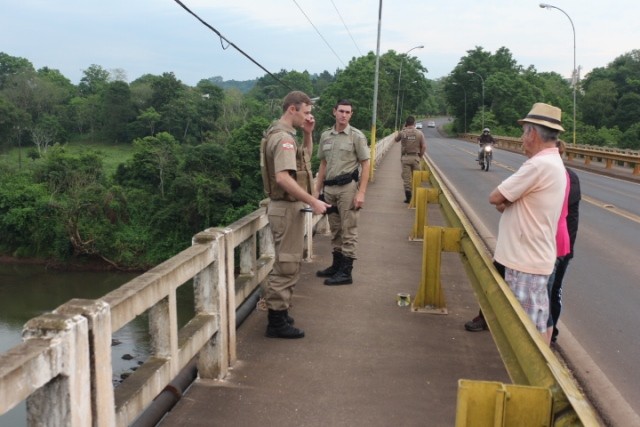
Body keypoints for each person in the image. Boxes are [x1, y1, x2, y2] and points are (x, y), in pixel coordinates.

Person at [489, 102, 567, 344]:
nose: (522, 139)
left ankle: (536, 379)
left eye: (524, 132)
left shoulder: (538, 165)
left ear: (532, 133)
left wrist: (508, 203)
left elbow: (496, 197)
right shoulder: (554, 163)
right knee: (540, 321)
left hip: (525, 262)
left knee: (527, 333)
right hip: (534, 259)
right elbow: (506, 203)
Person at [260, 91, 331, 339]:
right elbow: (282, 177)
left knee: (290, 261)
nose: (308, 116)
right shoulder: (282, 139)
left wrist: (308, 134)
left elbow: (305, 159)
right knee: (287, 264)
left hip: (290, 208)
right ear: (292, 109)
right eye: (306, 112)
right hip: (286, 208)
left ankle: (281, 311)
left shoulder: (287, 136)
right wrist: (313, 200)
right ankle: (276, 322)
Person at [314, 99, 371, 286]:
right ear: (334, 112)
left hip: (348, 188)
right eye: (341, 111)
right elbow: (323, 163)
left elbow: (366, 164)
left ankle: (346, 273)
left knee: (349, 230)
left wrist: (361, 193)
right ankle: (336, 266)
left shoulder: (356, 136)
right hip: (329, 189)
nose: (344, 115)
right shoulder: (325, 136)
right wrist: (317, 190)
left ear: (351, 114)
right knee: (335, 229)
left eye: (348, 112)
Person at [548, 140, 581, 343]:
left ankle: (550, 331)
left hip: (559, 245)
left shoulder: (566, 177)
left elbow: (567, 215)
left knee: (551, 290)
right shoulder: (563, 175)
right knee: (552, 290)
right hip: (561, 245)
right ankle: (550, 331)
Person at [394, 115, 427, 203]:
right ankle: (418, 196)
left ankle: (408, 198)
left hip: (405, 158)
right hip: (416, 157)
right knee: (417, 177)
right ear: (414, 123)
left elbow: (396, 140)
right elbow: (424, 146)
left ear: (406, 123)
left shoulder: (402, 133)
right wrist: (420, 156)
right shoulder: (419, 133)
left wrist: (402, 129)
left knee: (406, 178)